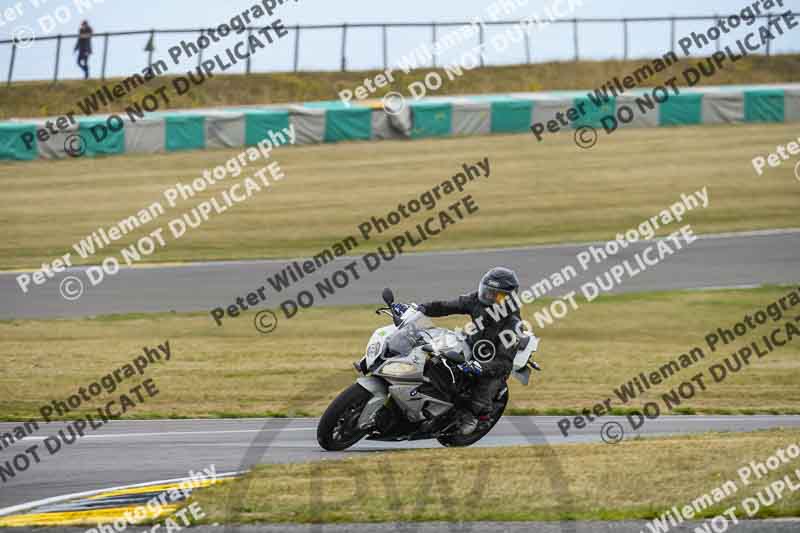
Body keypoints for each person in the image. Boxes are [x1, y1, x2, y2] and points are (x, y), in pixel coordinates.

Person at [417, 267, 524, 435]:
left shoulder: (513, 324)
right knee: (433, 357)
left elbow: (504, 362)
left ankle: (477, 416)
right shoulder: (477, 300)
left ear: (509, 298)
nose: (489, 297)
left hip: (492, 361)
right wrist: (421, 309)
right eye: (487, 291)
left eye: (497, 295)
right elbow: (446, 306)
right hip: (470, 344)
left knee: (481, 392)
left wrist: (480, 366)